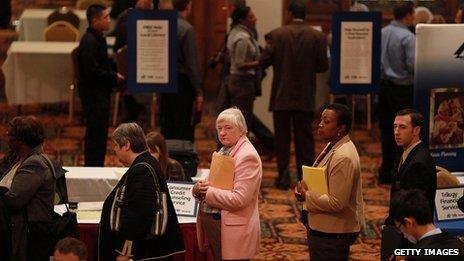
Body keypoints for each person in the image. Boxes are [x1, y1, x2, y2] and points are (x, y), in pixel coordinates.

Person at [261, 0, 328, 189]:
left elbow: (264, 61)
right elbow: (323, 66)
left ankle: (282, 178)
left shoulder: (276, 35)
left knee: (282, 140)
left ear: (289, 13)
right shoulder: (317, 37)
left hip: (281, 94)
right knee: (305, 141)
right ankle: (304, 180)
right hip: (305, 95)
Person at [98, 123, 185, 260]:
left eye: (115, 145)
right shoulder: (147, 162)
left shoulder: (142, 170)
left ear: (126, 145)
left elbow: (139, 211)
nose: (114, 149)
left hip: (141, 252)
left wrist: (125, 250)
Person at [294, 103, 364, 261]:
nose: (320, 124)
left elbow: (337, 202)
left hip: (332, 234)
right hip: (325, 229)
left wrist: (307, 195)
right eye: (321, 120)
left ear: (341, 128)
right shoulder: (333, 145)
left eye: (326, 121)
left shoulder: (343, 157)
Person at [192, 107, 262, 260]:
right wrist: (198, 188)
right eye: (219, 129)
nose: (222, 133)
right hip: (219, 225)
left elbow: (240, 199)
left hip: (232, 229)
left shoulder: (247, 156)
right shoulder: (226, 149)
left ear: (242, 129)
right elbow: (216, 183)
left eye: (228, 128)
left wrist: (206, 192)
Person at [381, 109, 437, 260]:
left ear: (416, 130)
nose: (396, 132)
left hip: (410, 236)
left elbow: (414, 210)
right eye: (394, 127)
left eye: (402, 127)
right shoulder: (407, 153)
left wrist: (403, 250)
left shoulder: (419, 162)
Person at [0, 116, 55, 261]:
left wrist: (1, 192)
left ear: (21, 140)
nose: (6, 137)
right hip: (16, 229)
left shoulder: (35, 163)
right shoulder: (19, 158)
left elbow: (14, 200)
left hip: (27, 235)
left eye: (10, 135)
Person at [78, 4, 124, 166]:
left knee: (100, 134)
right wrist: (113, 76)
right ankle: (92, 166)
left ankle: (97, 164)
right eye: (105, 17)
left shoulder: (98, 37)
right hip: (93, 95)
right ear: (95, 21)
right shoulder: (89, 42)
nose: (109, 20)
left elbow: (102, 64)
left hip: (100, 93)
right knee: (95, 134)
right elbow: (94, 72)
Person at [378, 2, 415, 184]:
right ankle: (397, 172)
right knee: (403, 132)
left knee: (386, 130)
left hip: (383, 88)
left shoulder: (382, 33)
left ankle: (385, 171)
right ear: (408, 15)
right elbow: (413, 65)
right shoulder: (408, 37)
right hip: (402, 90)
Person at [159, 0, 204, 142]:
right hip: (182, 83)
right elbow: (191, 64)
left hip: (164, 79)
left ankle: (167, 159)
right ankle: (181, 160)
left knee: (168, 123)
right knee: (183, 124)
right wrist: (198, 91)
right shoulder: (186, 28)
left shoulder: (164, 26)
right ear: (188, 6)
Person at [389, 189, 464, 261]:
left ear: (408, 223)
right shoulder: (459, 245)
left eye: (399, 228)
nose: (403, 235)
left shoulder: (416, 258)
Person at [113, 0, 152, 122]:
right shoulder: (155, 28)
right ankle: (141, 105)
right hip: (148, 74)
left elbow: (116, 50)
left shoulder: (124, 26)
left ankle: (132, 105)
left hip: (125, 74)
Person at [226, 5, 260, 130]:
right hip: (242, 83)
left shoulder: (236, 32)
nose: (255, 19)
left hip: (239, 82)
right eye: (251, 17)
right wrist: (258, 62)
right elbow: (239, 63)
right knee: (242, 122)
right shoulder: (242, 38)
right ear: (242, 20)